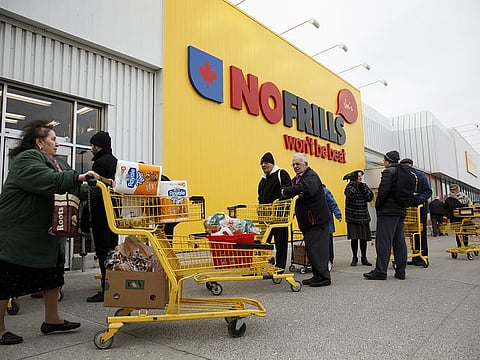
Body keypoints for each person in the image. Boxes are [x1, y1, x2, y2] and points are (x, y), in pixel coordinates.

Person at [0, 120, 99, 345]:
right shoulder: (26, 159)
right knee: (6, 279)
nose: (58, 142)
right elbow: (47, 180)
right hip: (18, 231)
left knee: (52, 274)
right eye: (53, 139)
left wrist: (97, 188)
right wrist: (78, 178)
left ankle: (52, 320)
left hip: (42, 232)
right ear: (39, 142)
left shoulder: (55, 162)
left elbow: (73, 185)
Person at [281, 153, 332, 287]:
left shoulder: (311, 176)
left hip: (317, 220)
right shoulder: (297, 179)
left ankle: (324, 277)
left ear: (306, 164)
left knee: (318, 250)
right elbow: (291, 189)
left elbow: (307, 189)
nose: (295, 166)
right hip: (308, 222)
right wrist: (285, 191)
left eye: (298, 164)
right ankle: (317, 275)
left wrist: (287, 191)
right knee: (311, 249)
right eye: (293, 164)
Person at [364, 150, 407, 281]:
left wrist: (378, 206)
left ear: (387, 160)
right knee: (399, 242)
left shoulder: (388, 172)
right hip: (400, 211)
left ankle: (381, 271)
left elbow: (383, 192)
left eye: (384, 160)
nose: (383, 162)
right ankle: (401, 271)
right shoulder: (404, 172)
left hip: (388, 212)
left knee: (384, 241)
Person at [86, 131, 118, 303]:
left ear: (99, 146)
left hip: (101, 213)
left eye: (92, 145)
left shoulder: (100, 164)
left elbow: (94, 191)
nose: (91, 149)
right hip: (114, 214)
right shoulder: (115, 162)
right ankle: (113, 283)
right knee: (112, 250)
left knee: (103, 250)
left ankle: (106, 288)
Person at [258, 152, 292, 270]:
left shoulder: (281, 174)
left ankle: (280, 267)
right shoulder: (262, 181)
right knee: (263, 242)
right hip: (266, 217)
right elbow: (260, 198)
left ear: (272, 163)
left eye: (266, 162)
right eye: (261, 163)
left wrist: (280, 203)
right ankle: (264, 264)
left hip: (279, 216)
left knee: (280, 242)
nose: (263, 165)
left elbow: (288, 191)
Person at [399, 158, 432, 266]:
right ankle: (415, 256)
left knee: (420, 233)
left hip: (419, 209)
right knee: (412, 233)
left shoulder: (420, 176)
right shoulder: (404, 176)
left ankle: (422, 256)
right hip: (409, 209)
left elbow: (428, 191)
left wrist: (418, 199)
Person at [343, 169, 374, 267]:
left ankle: (364, 257)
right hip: (353, 217)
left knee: (364, 238)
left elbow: (370, 197)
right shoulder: (349, 187)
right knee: (354, 238)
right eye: (359, 176)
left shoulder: (364, 186)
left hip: (363, 216)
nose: (360, 178)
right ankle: (354, 257)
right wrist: (355, 186)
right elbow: (350, 195)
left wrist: (363, 189)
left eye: (361, 176)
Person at [444, 184, 472, 252]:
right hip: (454, 218)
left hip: (464, 218)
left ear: (457, 189)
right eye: (451, 189)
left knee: (465, 232)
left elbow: (469, 205)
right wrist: (449, 215)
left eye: (454, 189)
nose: (452, 191)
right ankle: (459, 245)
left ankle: (465, 245)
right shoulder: (448, 199)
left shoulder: (464, 197)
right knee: (458, 232)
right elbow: (446, 209)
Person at [323, 184, 342, 270]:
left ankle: (329, 260)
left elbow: (333, 204)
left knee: (328, 243)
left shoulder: (325, 191)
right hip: (321, 223)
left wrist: (338, 214)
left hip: (327, 222)